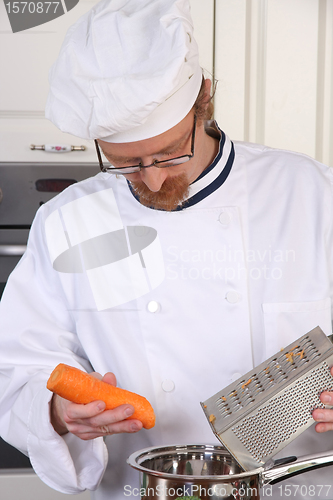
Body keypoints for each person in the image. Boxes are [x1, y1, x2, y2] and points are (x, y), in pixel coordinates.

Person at [0, 0, 332, 498]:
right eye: (125, 162)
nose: (153, 179)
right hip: (141, 490)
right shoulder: (65, 223)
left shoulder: (310, 194)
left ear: (204, 97)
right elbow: (16, 372)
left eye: (169, 151)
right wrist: (56, 413)